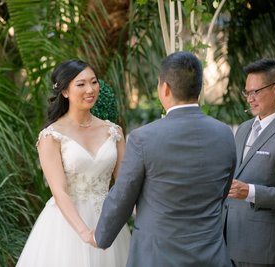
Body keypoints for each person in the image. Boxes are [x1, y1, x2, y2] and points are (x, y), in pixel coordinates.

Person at [93, 51, 237, 267]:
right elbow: (222, 192)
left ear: (165, 88)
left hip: (158, 255)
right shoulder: (224, 133)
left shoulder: (143, 138)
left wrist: (100, 236)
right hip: (211, 253)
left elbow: (123, 195)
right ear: (199, 88)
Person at [16, 59, 130, 267]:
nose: (90, 89)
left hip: (108, 222)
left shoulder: (114, 131)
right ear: (65, 92)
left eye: (94, 82)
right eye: (81, 84)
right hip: (66, 226)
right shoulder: (51, 136)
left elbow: (125, 184)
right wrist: (85, 233)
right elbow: (59, 192)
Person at [225, 59, 275, 267]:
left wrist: (250, 192)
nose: (250, 99)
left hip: (263, 250)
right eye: (247, 93)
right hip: (228, 244)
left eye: (256, 92)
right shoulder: (243, 128)